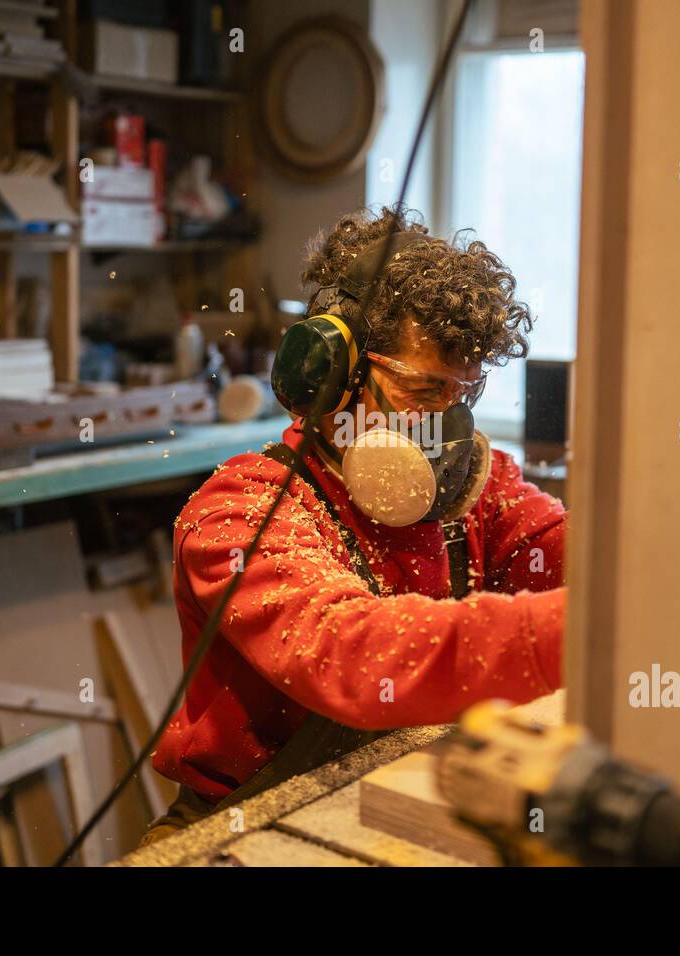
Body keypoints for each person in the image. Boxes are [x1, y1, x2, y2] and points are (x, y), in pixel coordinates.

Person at [144, 206, 567, 838]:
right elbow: (352, 654)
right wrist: (577, 628)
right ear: (333, 378)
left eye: (464, 396)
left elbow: (570, 554)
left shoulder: (480, 489)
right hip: (247, 827)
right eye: (424, 393)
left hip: (392, 792)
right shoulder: (242, 514)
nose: (446, 430)